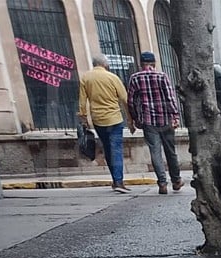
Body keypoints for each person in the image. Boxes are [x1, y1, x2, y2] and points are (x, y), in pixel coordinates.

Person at [127, 52, 183, 194]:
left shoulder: (135, 78)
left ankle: (162, 183)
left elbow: (131, 101)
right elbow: (170, 97)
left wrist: (135, 118)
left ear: (141, 64)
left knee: (155, 152)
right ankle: (176, 180)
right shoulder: (162, 76)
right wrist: (175, 115)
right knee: (171, 151)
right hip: (165, 119)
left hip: (148, 120)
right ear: (154, 63)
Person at [78, 54, 129, 193]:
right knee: (116, 149)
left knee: (107, 148)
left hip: (98, 120)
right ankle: (118, 181)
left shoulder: (86, 78)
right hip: (114, 119)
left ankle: (115, 179)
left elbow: (82, 102)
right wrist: (131, 119)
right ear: (105, 65)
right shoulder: (113, 77)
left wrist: (84, 119)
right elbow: (125, 99)